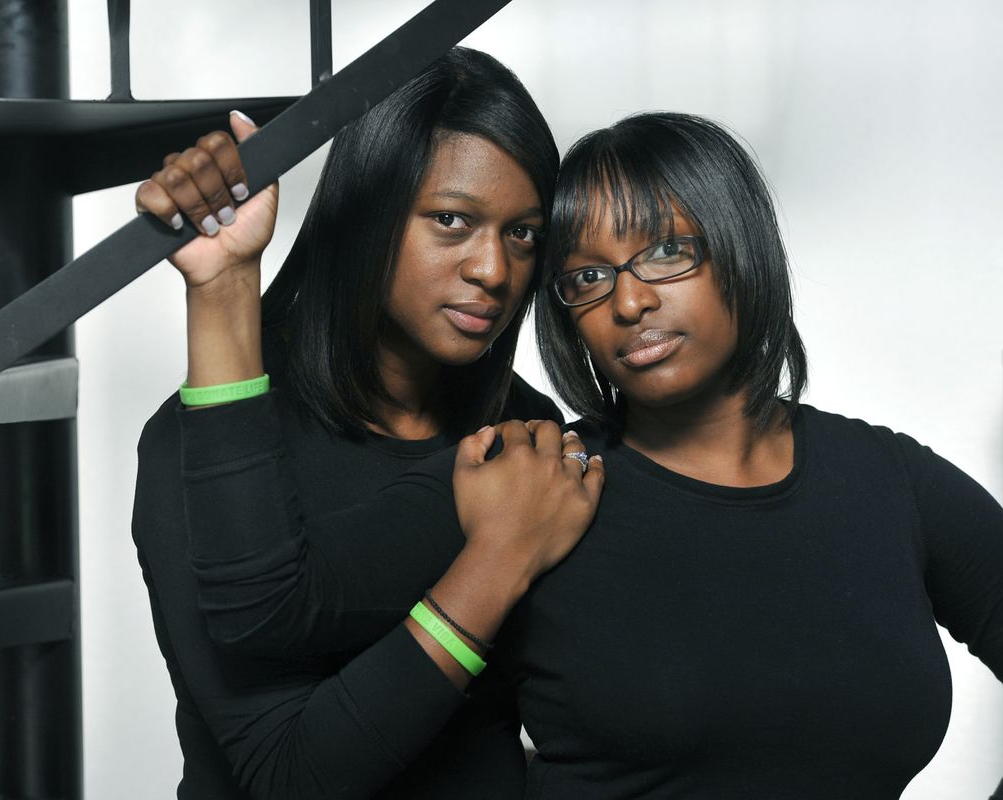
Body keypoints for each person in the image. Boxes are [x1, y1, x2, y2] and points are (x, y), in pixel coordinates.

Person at [178, 111, 1003, 798]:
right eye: (587, 278)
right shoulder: (540, 479)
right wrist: (223, 290)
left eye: (668, 251)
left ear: (740, 249)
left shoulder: (889, 482)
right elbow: (264, 607)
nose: (631, 300)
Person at [130, 47, 603, 800]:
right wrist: (500, 559)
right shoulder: (199, 446)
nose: (494, 269)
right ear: (371, 212)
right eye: (451, 220)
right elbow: (284, 777)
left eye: (523, 234)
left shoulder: (524, 427)